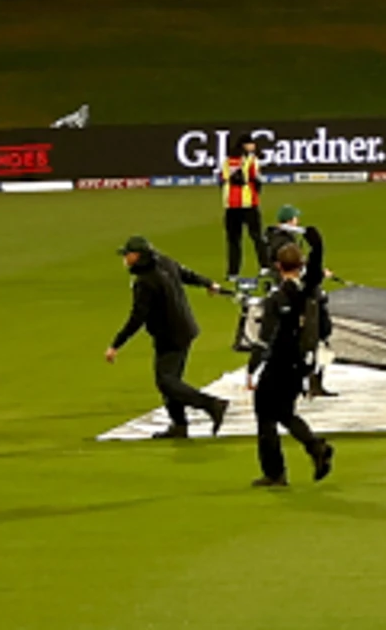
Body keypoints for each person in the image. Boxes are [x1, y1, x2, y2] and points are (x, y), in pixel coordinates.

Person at [106, 236, 233, 440]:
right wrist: (209, 284)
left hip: (171, 334)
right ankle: (180, 425)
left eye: (127, 254)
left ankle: (212, 405)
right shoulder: (164, 262)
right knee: (171, 381)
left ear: (137, 256)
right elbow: (187, 275)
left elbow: (138, 317)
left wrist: (116, 344)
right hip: (183, 328)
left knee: (166, 381)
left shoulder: (145, 282)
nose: (124, 258)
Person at [249, 243, 333, 489]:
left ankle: (275, 473)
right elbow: (326, 329)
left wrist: (253, 365)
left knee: (265, 412)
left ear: (278, 266)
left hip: (279, 363)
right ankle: (315, 446)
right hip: (303, 362)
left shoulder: (278, 297)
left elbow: (266, 336)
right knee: (284, 411)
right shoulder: (314, 294)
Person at [263, 205, 334, 395]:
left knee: (315, 337)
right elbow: (292, 267)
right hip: (300, 296)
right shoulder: (282, 242)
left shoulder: (280, 239)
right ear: (291, 220)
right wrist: (316, 270)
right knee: (313, 335)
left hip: (298, 293)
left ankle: (312, 381)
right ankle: (308, 381)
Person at [220, 130, 271, 276]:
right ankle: (265, 266)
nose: (253, 146)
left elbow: (224, 178)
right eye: (250, 143)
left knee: (234, 240)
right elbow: (256, 178)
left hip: (231, 204)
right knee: (257, 236)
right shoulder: (251, 160)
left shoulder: (227, 161)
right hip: (248, 203)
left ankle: (233, 272)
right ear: (245, 145)